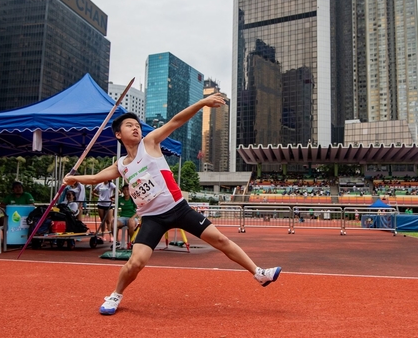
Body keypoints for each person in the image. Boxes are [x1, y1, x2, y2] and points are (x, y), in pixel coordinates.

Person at [63, 93, 281, 315]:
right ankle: (115, 295)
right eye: (130, 126)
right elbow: (97, 177)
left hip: (179, 209)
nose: (136, 128)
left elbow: (175, 121)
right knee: (136, 262)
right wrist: (74, 179)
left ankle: (258, 272)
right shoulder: (121, 165)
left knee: (220, 239)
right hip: (152, 218)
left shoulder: (150, 143)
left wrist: (202, 102)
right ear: (118, 134)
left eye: (137, 125)